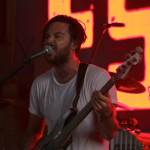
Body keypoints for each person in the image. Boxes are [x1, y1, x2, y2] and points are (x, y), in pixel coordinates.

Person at [21, 15, 118, 150]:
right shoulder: (40, 83)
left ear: (75, 43)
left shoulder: (98, 77)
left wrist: (106, 113)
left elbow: (109, 134)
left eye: (58, 36)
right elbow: (34, 131)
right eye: (47, 37)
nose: (49, 41)